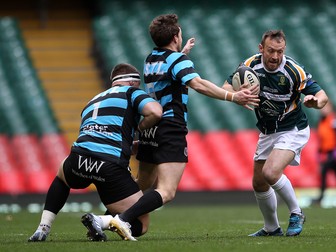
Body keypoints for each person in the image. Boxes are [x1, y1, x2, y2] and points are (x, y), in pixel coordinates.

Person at [92, 13, 260, 241]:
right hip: (171, 126)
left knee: (143, 183)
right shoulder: (178, 61)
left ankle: (99, 222)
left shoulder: (151, 59)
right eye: (179, 31)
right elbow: (198, 84)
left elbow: (167, 73)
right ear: (175, 36)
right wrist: (234, 96)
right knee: (167, 191)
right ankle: (118, 220)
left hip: (151, 128)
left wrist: (181, 55)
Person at [28, 63, 163, 242]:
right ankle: (100, 221)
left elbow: (97, 138)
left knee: (62, 176)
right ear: (131, 82)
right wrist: (140, 127)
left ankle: (42, 228)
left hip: (78, 158)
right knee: (140, 223)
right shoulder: (131, 92)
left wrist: (128, 145)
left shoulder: (93, 100)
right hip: (109, 167)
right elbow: (155, 112)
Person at [222, 30, 328, 237]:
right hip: (268, 132)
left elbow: (322, 95)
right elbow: (226, 86)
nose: (275, 56)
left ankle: (297, 213)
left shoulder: (293, 70)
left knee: (270, 173)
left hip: (293, 129)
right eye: (271, 50)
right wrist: (237, 94)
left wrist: (316, 103)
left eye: (280, 51)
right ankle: (272, 228)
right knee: (259, 182)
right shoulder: (250, 65)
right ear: (261, 48)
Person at [314, 100, 336, 206]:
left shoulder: (335, 119)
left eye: (326, 107)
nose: (323, 110)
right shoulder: (321, 121)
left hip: (334, 152)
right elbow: (322, 139)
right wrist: (319, 152)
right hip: (326, 152)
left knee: (325, 172)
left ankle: (321, 198)